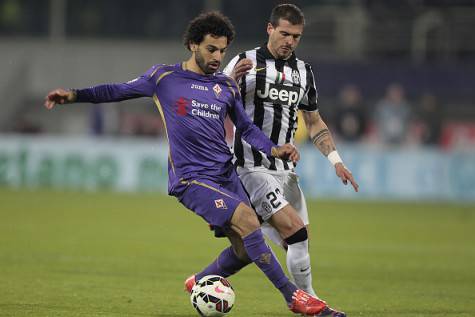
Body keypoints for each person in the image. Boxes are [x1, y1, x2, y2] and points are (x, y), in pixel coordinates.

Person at [44, 11, 330, 316]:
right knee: (248, 221)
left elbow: (246, 128)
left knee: (246, 249)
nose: (218, 56)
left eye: (222, 50)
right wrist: (73, 95)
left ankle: (202, 279)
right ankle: (293, 297)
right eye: (211, 49)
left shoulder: (226, 87)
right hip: (191, 178)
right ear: (193, 45)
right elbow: (116, 91)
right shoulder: (164, 78)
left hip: (226, 174)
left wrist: (275, 150)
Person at [184, 4, 357, 316]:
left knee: (270, 246)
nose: (290, 41)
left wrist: (336, 160)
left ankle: (200, 279)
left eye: (296, 36)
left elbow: (315, 122)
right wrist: (232, 83)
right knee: (295, 230)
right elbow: (212, 104)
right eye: (285, 33)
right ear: (270, 29)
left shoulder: (304, 72)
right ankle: (312, 305)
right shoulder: (244, 62)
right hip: (250, 166)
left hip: (285, 171)